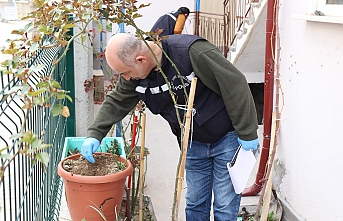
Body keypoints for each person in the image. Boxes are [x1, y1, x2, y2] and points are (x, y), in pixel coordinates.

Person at [81, 33, 259, 220]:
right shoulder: (135, 77)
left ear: (140, 59)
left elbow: (234, 83)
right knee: (195, 203)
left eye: (125, 72)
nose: (124, 78)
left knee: (224, 205)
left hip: (227, 138)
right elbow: (116, 102)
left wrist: (247, 132)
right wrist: (95, 134)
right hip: (192, 141)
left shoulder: (193, 53)